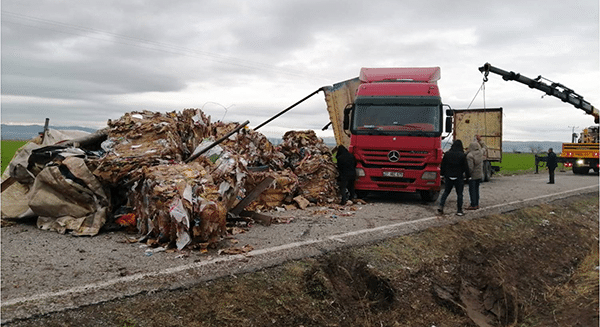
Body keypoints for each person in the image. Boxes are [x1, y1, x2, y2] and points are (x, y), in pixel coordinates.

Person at [438, 140, 470, 216]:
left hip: (448, 176)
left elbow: (443, 165)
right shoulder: (462, 155)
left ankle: (441, 206)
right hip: (458, 176)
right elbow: (465, 167)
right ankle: (459, 210)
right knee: (459, 194)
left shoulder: (447, 154)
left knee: (446, 192)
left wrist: (442, 174)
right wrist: (468, 176)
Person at [466, 140, 483, 210]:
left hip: (472, 176)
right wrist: (480, 141)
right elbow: (485, 148)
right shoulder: (480, 153)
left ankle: (473, 205)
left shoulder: (470, 155)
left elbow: (470, 168)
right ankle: (477, 204)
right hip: (479, 175)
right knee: (476, 190)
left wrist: (467, 175)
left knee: (472, 190)